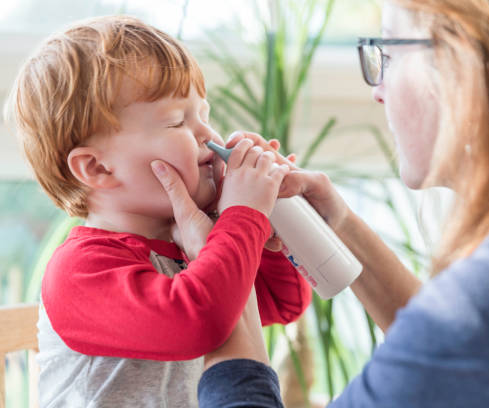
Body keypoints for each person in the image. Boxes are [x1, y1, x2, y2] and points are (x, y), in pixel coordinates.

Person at [153, 0, 489, 406]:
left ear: (471, 70)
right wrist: (339, 222)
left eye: (387, 55)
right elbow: (458, 360)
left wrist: (220, 269)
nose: (377, 90)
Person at [5, 16, 312, 407]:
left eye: (205, 114)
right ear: (98, 168)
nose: (209, 135)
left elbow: (280, 302)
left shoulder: (190, 241)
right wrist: (242, 217)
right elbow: (201, 320)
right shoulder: (80, 271)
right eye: (177, 121)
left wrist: (265, 233)